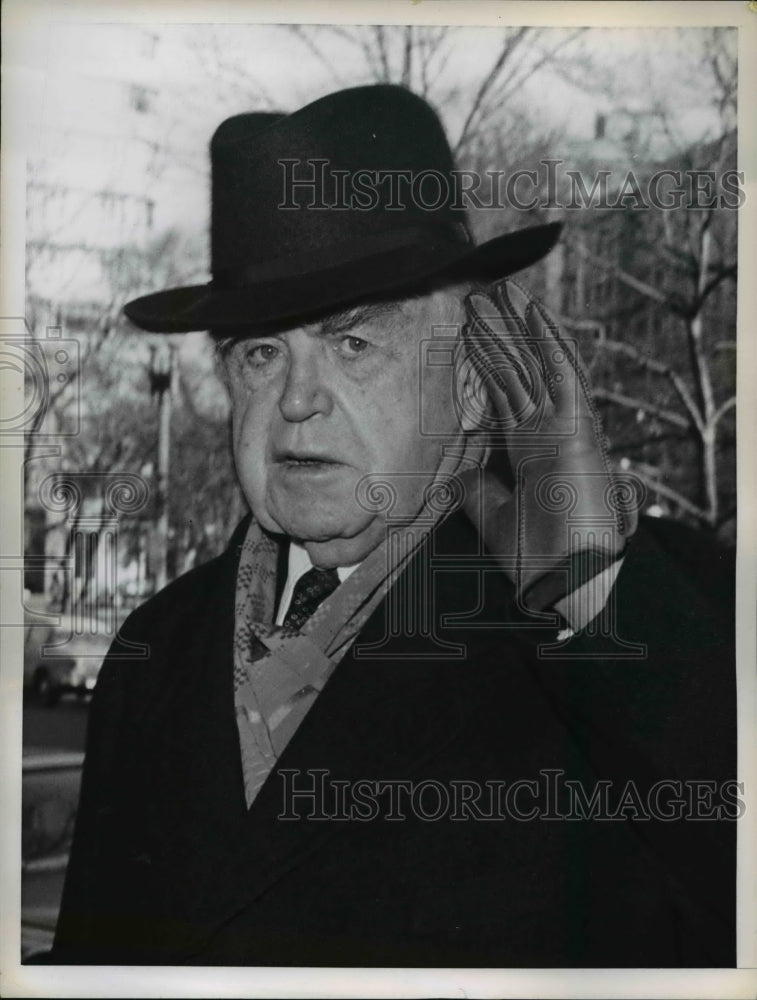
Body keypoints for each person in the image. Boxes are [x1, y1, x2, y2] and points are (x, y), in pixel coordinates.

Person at [44, 85, 735, 967]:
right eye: (261, 354)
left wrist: (594, 596)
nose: (295, 400)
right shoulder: (156, 649)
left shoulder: (630, 618)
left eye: (352, 343)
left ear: (473, 376)